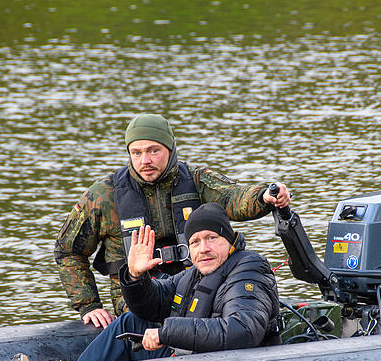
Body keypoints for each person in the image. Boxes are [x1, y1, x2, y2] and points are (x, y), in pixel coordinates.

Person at [54, 113, 290, 328]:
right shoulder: (103, 196)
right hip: (137, 303)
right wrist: (89, 304)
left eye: (153, 151)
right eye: (136, 153)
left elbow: (234, 197)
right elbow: (67, 250)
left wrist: (264, 195)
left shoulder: (196, 181)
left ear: (170, 149)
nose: (145, 160)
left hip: (195, 293)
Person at [71, 203, 280, 361]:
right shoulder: (192, 276)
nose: (204, 248)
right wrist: (135, 276)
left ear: (230, 240)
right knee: (130, 322)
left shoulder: (249, 270)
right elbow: (151, 305)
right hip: (191, 358)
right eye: (195, 242)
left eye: (212, 238)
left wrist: (165, 333)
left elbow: (242, 331)